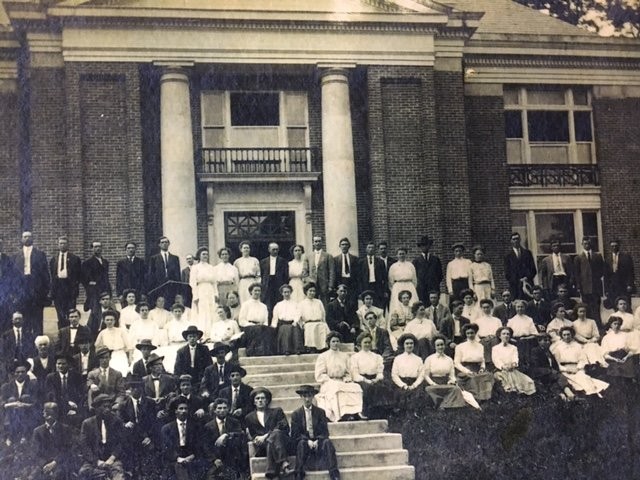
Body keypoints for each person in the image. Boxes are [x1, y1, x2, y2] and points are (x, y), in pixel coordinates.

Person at [290, 385, 340, 480]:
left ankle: (334, 475)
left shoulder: (320, 412)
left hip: (318, 442)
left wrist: (318, 440)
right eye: (305, 396)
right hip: (304, 443)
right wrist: (307, 441)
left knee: (327, 443)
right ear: (301, 397)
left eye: (309, 396)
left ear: (313, 396)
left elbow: (325, 432)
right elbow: (295, 434)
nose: (307, 399)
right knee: (301, 444)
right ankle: (299, 474)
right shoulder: (296, 414)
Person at [244, 387, 293, 479]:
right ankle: (284, 463)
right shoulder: (249, 417)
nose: (260, 400)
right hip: (263, 446)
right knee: (271, 440)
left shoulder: (277, 411)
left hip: (281, 442)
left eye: (263, 398)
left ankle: (272, 472)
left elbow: (284, 426)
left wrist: (266, 436)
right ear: (254, 402)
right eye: (257, 398)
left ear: (267, 401)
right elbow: (254, 435)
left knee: (276, 434)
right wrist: (257, 439)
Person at [315, 331, 364, 422]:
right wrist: (329, 380)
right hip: (328, 382)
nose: (335, 343)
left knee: (355, 386)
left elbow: (348, 372)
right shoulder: (323, 356)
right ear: (329, 343)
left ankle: (353, 412)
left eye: (337, 341)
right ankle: (340, 414)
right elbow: (319, 374)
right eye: (333, 341)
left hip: (342, 380)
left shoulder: (344, 356)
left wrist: (347, 378)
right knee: (336, 387)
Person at [423, 335, 480, 409]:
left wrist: (452, 381)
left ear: (445, 345)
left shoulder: (449, 359)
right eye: (438, 345)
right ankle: (443, 403)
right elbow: (426, 375)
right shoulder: (429, 359)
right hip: (434, 382)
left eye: (442, 345)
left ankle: (445, 405)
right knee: (428, 390)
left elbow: (452, 375)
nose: (440, 347)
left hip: (446, 382)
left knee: (455, 389)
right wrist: (433, 384)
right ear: (434, 346)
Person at [118, 374, 158, 478]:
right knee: (132, 461)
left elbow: (154, 422)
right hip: (131, 437)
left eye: (139, 387)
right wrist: (125, 424)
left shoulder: (150, 403)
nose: (136, 390)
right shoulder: (123, 405)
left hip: (147, 436)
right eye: (133, 387)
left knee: (149, 463)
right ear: (129, 389)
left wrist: (149, 437)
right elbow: (119, 421)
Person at [79, 393, 126, 480]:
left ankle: (106, 474)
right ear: (96, 408)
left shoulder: (117, 421)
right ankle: (104, 475)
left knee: (118, 476)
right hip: (93, 460)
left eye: (109, 407)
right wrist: (96, 461)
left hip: (112, 460)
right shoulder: (87, 423)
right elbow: (84, 446)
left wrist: (112, 458)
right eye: (104, 407)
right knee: (83, 472)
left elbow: (121, 443)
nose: (107, 409)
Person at [161, 397, 208, 480]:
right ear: (176, 411)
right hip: (174, 458)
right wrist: (178, 458)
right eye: (181, 409)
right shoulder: (167, 428)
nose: (183, 411)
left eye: (186, 409)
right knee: (179, 467)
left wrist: (191, 456)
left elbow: (199, 444)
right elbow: (167, 447)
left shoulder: (195, 427)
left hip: (192, 456)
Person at [13, 231, 50, 336]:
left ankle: (39, 342)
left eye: (29, 236)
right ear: (21, 239)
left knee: (38, 319)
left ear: (32, 238)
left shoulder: (40, 255)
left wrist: (44, 292)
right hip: (22, 291)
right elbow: (14, 277)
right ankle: (25, 342)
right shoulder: (16, 256)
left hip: (36, 290)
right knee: (25, 318)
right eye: (25, 237)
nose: (27, 239)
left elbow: (45, 275)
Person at [553, 326, 608, 397]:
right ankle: (592, 393)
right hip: (565, 370)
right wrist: (566, 369)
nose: (566, 337)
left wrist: (578, 368)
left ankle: (593, 394)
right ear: (561, 336)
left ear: (572, 335)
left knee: (584, 378)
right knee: (574, 383)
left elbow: (583, 360)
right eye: (564, 335)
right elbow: (556, 364)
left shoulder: (578, 346)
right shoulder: (558, 348)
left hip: (578, 368)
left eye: (568, 334)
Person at [30, 402, 77, 480]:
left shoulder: (65, 429)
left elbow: (67, 450)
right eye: (46, 411)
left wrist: (55, 463)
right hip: (43, 465)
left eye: (50, 411)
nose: (47, 413)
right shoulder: (38, 431)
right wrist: (45, 465)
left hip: (61, 464)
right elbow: (35, 452)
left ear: (56, 413)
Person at [203, 397, 246, 480]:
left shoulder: (234, 422)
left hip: (232, 459)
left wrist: (226, 434)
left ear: (228, 409)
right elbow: (206, 446)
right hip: (216, 461)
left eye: (224, 408)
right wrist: (214, 460)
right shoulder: (208, 426)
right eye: (219, 408)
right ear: (214, 410)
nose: (222, 410)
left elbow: (240, 435)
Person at [350, 332, 388, 418]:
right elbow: (355, 374)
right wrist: (366, 380)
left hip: (374, 379)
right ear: (360, 344)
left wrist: (377, 379)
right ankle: (365, 412)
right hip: (362, 379)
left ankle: (379, 413)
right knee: (368, 388)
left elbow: (380, 372)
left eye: (369, 342)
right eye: (365, 342)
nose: (367, 344)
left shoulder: (377, 357)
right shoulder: (355, 357)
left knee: (382, 387)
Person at [1, 359, 39, 444]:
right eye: (17, 372)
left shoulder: (33, 385)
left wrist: (24, 405)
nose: (20, 374)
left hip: (28, 413)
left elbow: (36, 401)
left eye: (23, 372)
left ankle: (25, 435)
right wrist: (11, 404)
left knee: (26, 397)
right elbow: (2, 402)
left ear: (26, 372)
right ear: (14, 373)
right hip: (10, 414)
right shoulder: (6, 387)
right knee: (11, 400)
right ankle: (10, 436)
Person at [454, 323, 495, 401]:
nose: (470, 335)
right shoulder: (460, 346)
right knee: (472, 379)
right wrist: (467, 371)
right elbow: (456, 363)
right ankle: (475, 398)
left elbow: (482, 360)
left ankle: (484, 397)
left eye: (472, 333)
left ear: (475, 333)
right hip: (466, 368)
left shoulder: (480, 346)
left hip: (478, 368)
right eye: (468, 333)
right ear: (465, 334)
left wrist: (482, 368)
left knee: (488, 376)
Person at [491, 326, 536, 395]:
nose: (506, 336)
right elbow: (496, 360)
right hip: (501, 370)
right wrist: (503, 366)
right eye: (504, 334)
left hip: (512, 369)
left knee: (528, 382)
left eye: (508, 334)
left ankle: (519, 395)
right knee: (506, 383)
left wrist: (513, 364)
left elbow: (515, 358)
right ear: (499, 336)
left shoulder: (513, 348)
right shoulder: (495, 348)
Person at [49, 235, 82, 329]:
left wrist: (75, 288)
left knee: (71, 313)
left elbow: (78, 275)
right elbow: (52, 275)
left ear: (68, 245)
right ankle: (61, 334)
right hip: (58, 289)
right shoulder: (54, 259)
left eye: (64, 243)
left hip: (70, 289)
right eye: (60, 243)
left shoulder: (75, 259)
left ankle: (71, 332)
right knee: (60, 314)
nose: (62, 245)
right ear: (58, 245)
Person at [573, 237, 605, 325]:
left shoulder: (597, 256)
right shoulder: (578, 258)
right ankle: (588, 325)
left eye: (588, 243)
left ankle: (598, 325)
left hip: (595, 287)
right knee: (586, 307)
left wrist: (596, 279)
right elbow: (577, 274)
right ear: (582, 245)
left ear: (591, 244)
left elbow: (602, 270)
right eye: (585, 243)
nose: (587, 245)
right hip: (585, 288)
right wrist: (579, 286)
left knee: (596, 307)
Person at [44, 352, 85, 421]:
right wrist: (67, 404)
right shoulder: (51, 377)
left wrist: (75, 408)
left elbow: (81, 393)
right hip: (57, 407)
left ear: (68, 365)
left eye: (63, 364)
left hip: (74, 407)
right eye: (58, 364)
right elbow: (52, 395)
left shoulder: (76, 376)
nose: (60, 366)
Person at [238, 283, 274, 356]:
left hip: (261, 326)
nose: (257, 292)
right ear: (251, 292)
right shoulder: (246, 304)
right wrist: (252, 325)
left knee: (268, 330)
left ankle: (266, 352)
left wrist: (263, 325)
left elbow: (266, 321)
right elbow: (241, 320)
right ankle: (254, 352)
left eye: (259, 291)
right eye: (255, 290)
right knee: (257, 329)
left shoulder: (263, 306)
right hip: (249, 327)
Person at [189, 247, 218, 338]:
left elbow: (214, 282)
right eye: (203, 254)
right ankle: (202, 334)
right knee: (202, 311)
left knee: (211, 310)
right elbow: (192, 283)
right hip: (200, 290)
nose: (205, 256)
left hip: (210, 290)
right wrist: (195, 295)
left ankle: (211, 334)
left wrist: (215, 293)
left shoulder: (211, 267)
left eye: (206, 254)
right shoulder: (195, 267)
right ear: (199, 256)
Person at [94, 310, 133, 375]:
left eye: (111, 320)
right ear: (104, 321)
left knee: (122, 373)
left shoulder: (121, 331)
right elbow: (97, 346)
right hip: (107, 356)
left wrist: (130, 358)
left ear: (115, 321)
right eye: (107, 320)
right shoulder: (102, 333)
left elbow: (129, 346)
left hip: (120, 355)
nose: (109, 322)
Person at [146, 236, 181, 306]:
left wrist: (178, 290)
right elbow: (151, 274)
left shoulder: (175, 258)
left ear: (169, 244)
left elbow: (178, 275)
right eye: (162, 242)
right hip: (159, 287)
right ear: (159, 244)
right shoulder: (154, 259)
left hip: (171, 288)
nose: (164, 244)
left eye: (166, 242)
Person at [390, 333, 425, 404]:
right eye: (407, 343)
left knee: (417, 396)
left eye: (411, 343)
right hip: (401, 383)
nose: (409, 345)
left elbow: (421, 375)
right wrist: (403, 385)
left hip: (414, 384)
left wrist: (414, 385)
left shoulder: (418, 359)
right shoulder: (397, 358)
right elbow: (394, 375)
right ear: (403, 345)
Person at [82, 240, 111, 323]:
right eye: (95, 247)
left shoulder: (105, 262)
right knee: (95, 313)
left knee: (106, 311)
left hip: (105, 291)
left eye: (99, 246)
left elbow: (106, 277)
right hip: (94, 292)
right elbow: (84, 279)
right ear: (92, 249)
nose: (97, 248)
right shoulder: (87, 263)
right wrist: (91, 285)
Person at [601, 315, 638, 380]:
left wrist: (625, 357)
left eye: (618, 324)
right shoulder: (606, 337)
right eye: (615, 324)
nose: (617, 326)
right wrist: (614, 359)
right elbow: (605, 354)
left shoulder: (625, 335)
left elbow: (631, 351)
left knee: (627, 372)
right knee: (616, 375)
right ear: (611, 325)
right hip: (612, 358)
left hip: (625, 357)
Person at [272, 284, 304, 355]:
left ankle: (297, 349)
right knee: (285, 329)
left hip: (293, 322)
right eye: (285, 292)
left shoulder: (295, 304)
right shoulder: (278, 305)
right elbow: (275, 317)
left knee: (295, 328)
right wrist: (273, 326)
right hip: (283, 324)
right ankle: (286, 350)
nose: (287, 294)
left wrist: (295, 321)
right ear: (282, 293)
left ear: (291, 292)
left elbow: (298, 314)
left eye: (288, 292)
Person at [260, 242, 289, 321]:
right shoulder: (263, 262)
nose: (275, 251)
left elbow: (286, 275)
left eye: (276, 249)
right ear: (269, 250)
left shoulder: (283, 261)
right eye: (273, 249)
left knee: (278, 303)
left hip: (278, 284)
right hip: (268, 285)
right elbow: (262, 275)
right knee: (268, 305)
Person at [503, 232, 537, 300]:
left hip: (527, 285)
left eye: (517, 239)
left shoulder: (527, 253)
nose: (516, 241)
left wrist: (526, 278)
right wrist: (517, 280)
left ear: (520, 240)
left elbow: (533, 270)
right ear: (511, 241)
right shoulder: (508, 256)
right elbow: (507, 273)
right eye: (514, 239)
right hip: (515, 286)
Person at [298, 283, 329, 354]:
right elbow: (299, 316)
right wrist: (302, 324)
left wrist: (324, 322)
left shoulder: (319, 302)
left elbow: (323, 314)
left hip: (319, 322)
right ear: (306, 292)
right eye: (310, 291)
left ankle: (322, 348)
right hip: (309, 323)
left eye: (314, 291)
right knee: (310, 328)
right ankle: (311, 348)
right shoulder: (302, 303)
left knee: (323, 327)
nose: (312, 293)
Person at [388, 247, 418, 316]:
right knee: (397, 305)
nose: (402, 255)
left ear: (406, 254)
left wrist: (412, 288)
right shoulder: (393, 266)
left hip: (409, 287)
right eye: (400, 254)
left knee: (412, 304)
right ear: (397, 255)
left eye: (403, 254)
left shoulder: (410, 265)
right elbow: (390, 281)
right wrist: (394, 290)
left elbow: (414, 279)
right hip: (398, 287)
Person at [304, 236, 334, 305]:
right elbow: (305, 271)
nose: (317, 243)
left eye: (319, 241)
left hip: (324, 284)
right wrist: (308, 281)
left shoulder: (328, 256)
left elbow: (332, 271)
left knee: (325, 303)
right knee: (312, 302)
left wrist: (330, 285)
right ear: (313, 243)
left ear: (322, 243)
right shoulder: (308, 256)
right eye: (316, 241)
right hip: (312, 284)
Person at [413, 235, 443, 304]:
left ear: (429, 246)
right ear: (420, 247)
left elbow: (440, 275)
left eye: (426, 245)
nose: (425, 247)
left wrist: (434, 282)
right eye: (423, 245)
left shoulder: (435, 259)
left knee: (434, 306)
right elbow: (415, 275)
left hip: (433, 288)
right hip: (421, 289)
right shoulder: (416, 261)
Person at [358, 241, 387, 309]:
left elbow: (385, 277)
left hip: (377, 286)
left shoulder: (380, 262)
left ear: (375, 250)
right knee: (366, 305)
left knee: (378, 305)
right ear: (366, 249)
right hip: (366, 286)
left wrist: (385, 290)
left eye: (372, 248)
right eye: (369, 247)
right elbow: (359, 278)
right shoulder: (361, 262)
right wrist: (360, 291)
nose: (371, 249)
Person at [332, 238, 359, 310]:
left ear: (349, 246)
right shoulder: (335, 259)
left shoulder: (355, 259)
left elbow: (358, 274)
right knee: (340, 303)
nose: (344, 246)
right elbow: (334, 274)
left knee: (352, 303)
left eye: (346, 244)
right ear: (340, 246)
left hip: (351, 283)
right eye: (342, 245)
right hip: (340, 282)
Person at [475, 299, 503, 364]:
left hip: (495, 340)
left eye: (487, 307)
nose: (486, 309)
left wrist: (494, 337)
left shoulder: (497, 320)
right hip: (483, 340)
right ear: (481, 309)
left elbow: (500, 332)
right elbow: (476, 334)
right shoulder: (478, 321)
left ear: (491, 307)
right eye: (484, 308)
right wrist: (480, 340)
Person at [377, 241, 396, 311]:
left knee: (392, 308)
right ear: (378, 250)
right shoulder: (376, 262)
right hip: (380, 289)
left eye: (384, 248)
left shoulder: (393, 261)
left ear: (387, 249)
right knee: (382, 310)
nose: (383, 250)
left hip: (392, 288)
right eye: (381, 249)